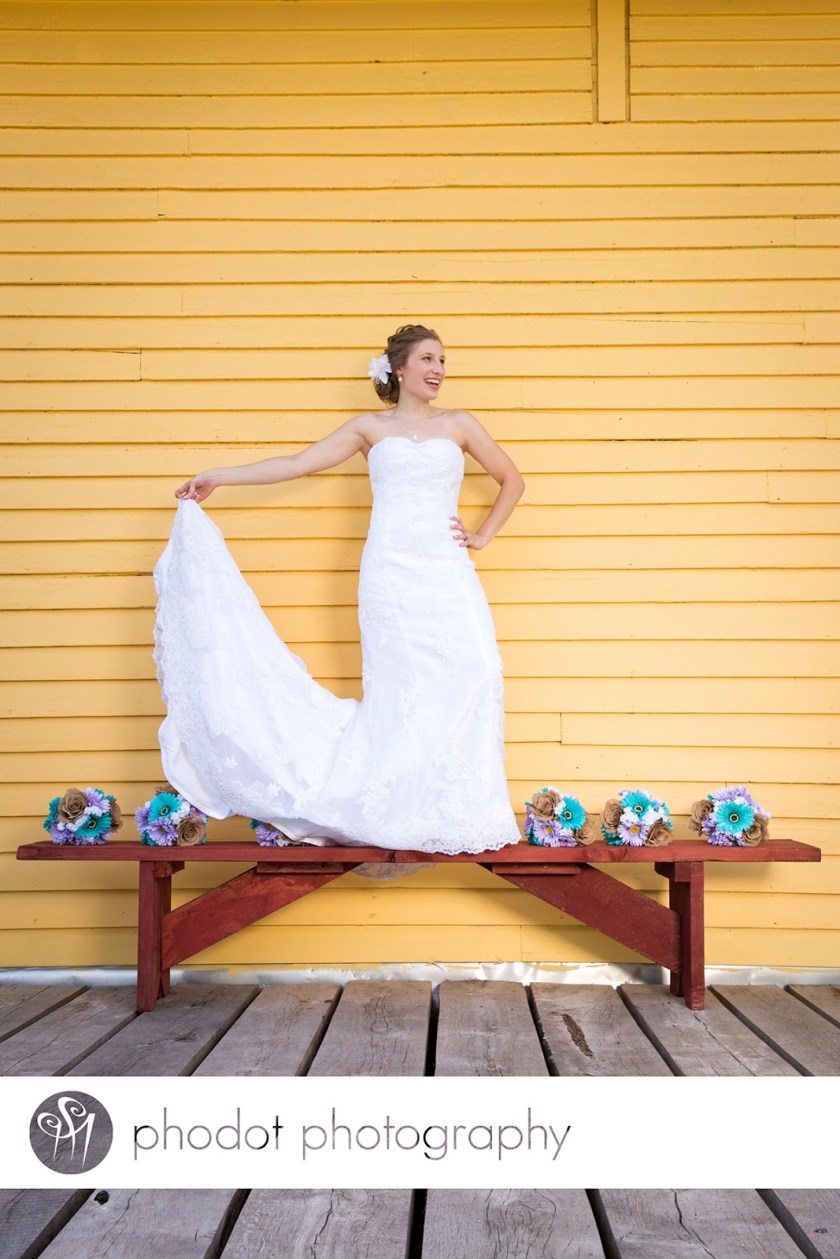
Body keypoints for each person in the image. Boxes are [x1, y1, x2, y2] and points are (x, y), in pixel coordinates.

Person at [153, 324, 525, 853]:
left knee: (479, 670)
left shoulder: (461, 424)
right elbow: (296, 464)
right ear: (399, 368)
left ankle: (459, 807)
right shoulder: (369, 428)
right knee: (401, 691)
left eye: (443, 361)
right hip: (389, 576)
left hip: (445, 571)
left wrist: (482, 535)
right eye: (427, 359)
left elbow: (513, 479)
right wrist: (220, 476)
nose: (439, 369)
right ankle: (398, 806)